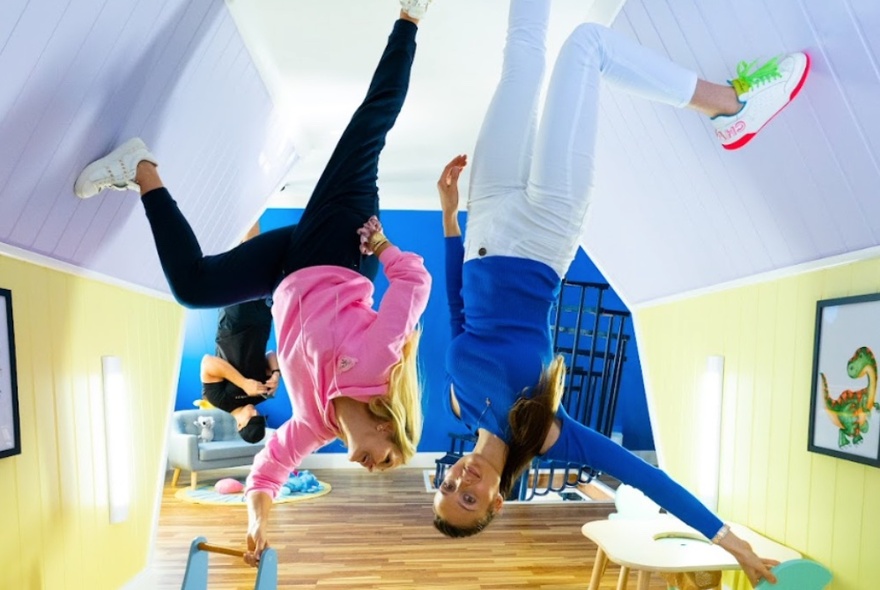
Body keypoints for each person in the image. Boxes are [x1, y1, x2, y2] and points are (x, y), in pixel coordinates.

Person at [432, 0, 808, 587]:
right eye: (470, 499)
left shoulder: (458, 401)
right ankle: (732, 106)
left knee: (521, 58)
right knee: (587, 44)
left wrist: (449, 220)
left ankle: (730, 105)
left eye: (449, 486)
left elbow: (456, 309)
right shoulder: (548, 435)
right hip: (544, 231)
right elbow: (647, 477)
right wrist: (729, 541)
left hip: (485, 217)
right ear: (497, 503)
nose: (462, 481)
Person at [74, 1, 434, 567]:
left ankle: (141, 170)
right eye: (388, 461)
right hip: (344, 247)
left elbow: (269, 468)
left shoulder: (316, 425)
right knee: (371, 125)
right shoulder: (380, 362)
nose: (375, 470)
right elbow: (414, 286)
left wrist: (257, 516)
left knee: (193, 287)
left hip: (288, 277)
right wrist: (385, 247)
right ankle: (411, 17)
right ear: (390, 426)